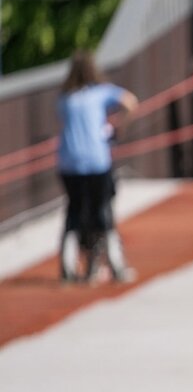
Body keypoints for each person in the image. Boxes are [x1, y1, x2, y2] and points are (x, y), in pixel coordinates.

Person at [55, 50, 139, 283]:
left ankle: (68, 264)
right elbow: (130, 102)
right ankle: (115, 264)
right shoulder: (101, 93)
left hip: (68, 162)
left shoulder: (64, 99)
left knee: (74, 209)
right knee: (102, 209)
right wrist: (118, 128)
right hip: (97, 160)